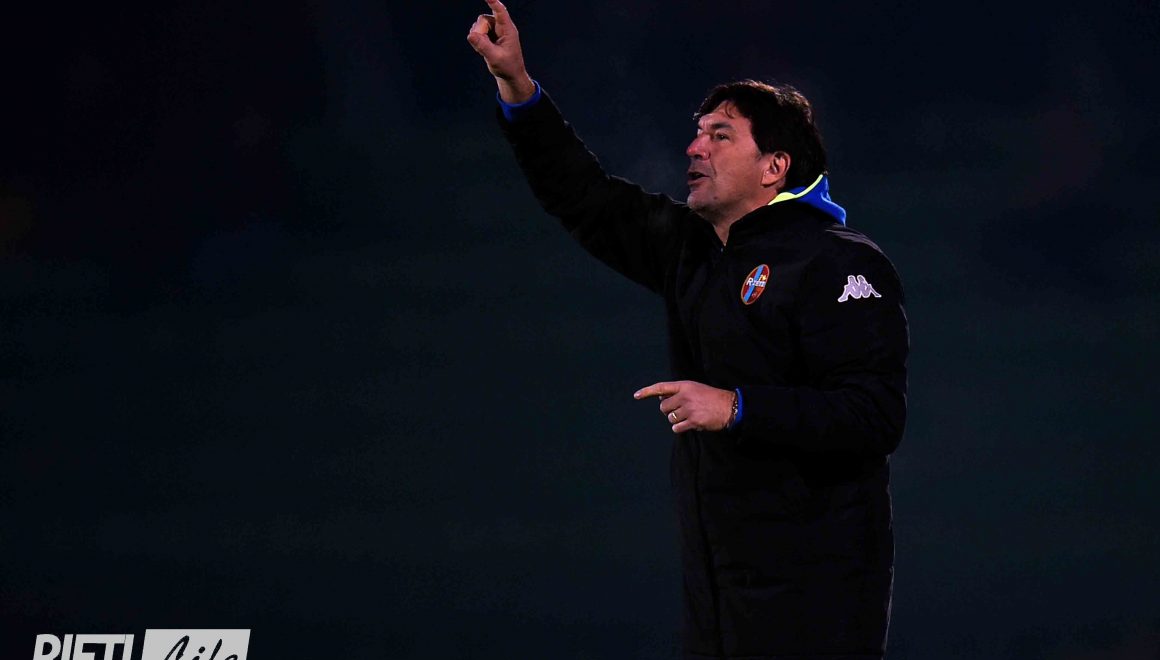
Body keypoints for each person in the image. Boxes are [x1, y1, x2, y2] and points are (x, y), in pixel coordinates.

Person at [467, 2, 909, 658]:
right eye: (697, 132)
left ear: (774, 167)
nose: (694, 147)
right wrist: (517, 84)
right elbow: (581, 195)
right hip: (717, 595)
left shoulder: (838, 262)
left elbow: (873, 416)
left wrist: (736, 407)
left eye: (720, 135)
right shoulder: (691, 250)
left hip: (817, 599)